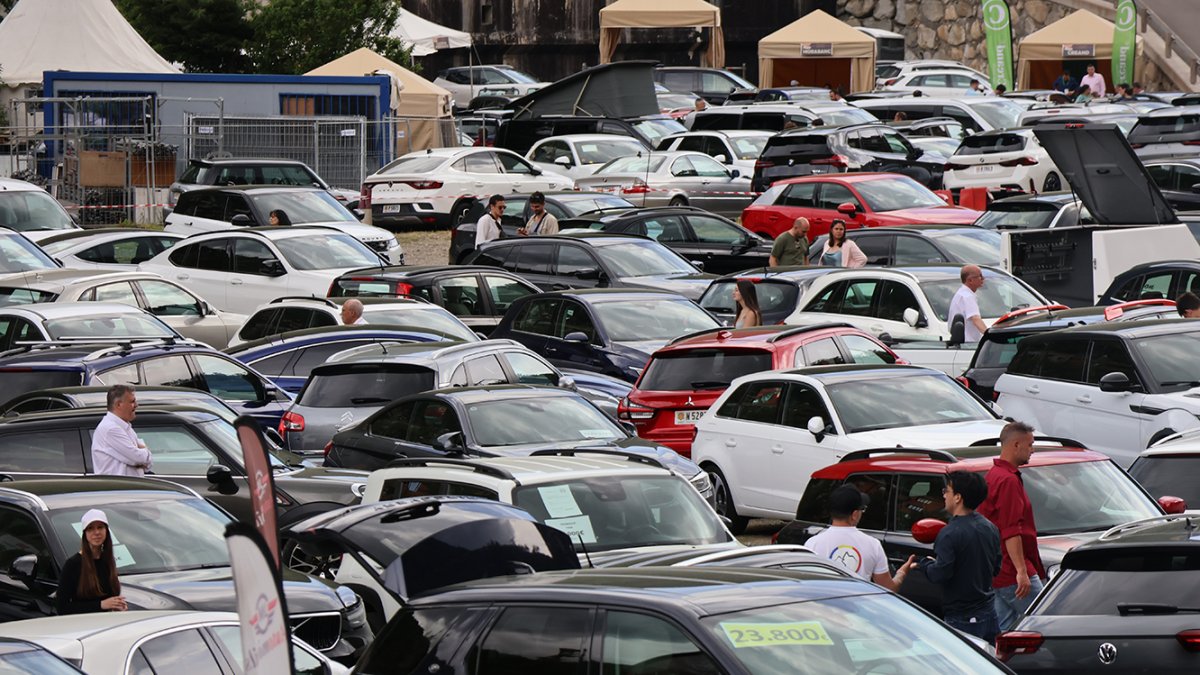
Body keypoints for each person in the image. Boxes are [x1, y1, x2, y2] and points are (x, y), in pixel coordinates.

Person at [917, 471, 1003, 643]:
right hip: (989, 611)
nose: (944, 495)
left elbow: (940, 574)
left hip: (962, 616)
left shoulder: (949, 533)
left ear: (957, 497)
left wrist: (925, 564)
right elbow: (996, 567)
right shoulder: (990, 527)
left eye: (946, 491)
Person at [978, 421, 1047, 632]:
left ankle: (1002, 663)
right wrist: (1021, 571)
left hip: (998, 568)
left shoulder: (995, 475)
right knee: (1045, 619)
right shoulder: (1007, 480)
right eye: (1030, 445)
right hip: (1010, 568)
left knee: (1005, 629)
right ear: (1016, 445)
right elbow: (1010, 529)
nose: (1032, 450)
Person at [806, 485, 916, 589]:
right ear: (854, 514)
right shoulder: (872, 544)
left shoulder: (812, 544)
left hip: (823, 607)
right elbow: (888, 588)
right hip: (858, 607)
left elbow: (806, 583)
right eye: (862, 509)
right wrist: (902, 573)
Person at [58, 510, 127, 614]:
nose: (96, 532)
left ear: (106, 531)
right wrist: (101, 605)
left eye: (100, 527)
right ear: (84, 533)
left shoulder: (108, 561)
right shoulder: (73, 564)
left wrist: (117, 605)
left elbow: (110, 598)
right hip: (85, 626)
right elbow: (62, 608)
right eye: (90, 528)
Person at [92, 385, 151, 477]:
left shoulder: (124, 427)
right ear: (119, 404)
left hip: (128, 489)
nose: (136, 405)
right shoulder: (110, 429)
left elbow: (146, 464)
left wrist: (142, 456)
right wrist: (145, 452)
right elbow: (138, 458)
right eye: (132, 401)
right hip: (118, 489)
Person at [948, 264, 987, 342]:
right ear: (970, 280)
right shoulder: (967, 296)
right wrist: (989, 335)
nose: (983, 278)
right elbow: (976, 319)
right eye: (980, 276)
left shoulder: (962, 294)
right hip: (968, 344)